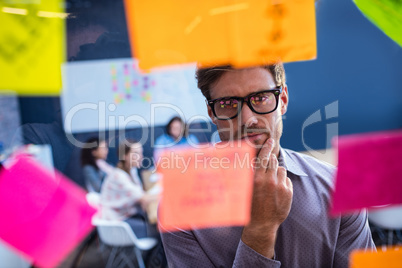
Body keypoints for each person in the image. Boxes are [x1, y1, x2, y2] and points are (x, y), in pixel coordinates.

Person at [159, 63, 376, 267]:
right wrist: (260, 232)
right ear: (211, 113)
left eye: (261, 98)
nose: (248, 119)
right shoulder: (178, 209)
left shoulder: (339, 187)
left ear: (283, 100)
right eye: (228, 104)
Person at [100, 139, 157, 237]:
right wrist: (167, 192)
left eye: (141, 153)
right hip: (117, 222)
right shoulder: (118, 176)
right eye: (136, 154)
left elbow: (140, 195)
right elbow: (143, 198)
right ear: (124, 156)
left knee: (157, 225)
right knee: (159, 231)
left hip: (127, 215)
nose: (141, 157)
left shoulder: (131, 170)